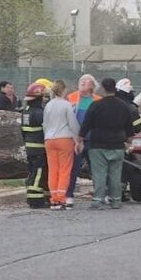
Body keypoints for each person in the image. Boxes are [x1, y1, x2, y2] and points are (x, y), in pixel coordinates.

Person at [77, 78, 136, 210]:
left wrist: (79, 139)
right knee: (115, 175)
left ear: (103, 89)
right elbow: (129, 128)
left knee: (99, 174)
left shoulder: (96, 105)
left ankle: (98, 200)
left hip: (98, 145)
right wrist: (128, 142)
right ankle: (116, 200)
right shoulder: (123, 106)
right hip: (117, 145)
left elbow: (86, 124)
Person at [43, 80, 80, 210]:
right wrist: (78, 139)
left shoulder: (48, 106)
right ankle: (61, 198)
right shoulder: (66, 105)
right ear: (64, 90)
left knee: (53, 170)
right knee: (64, 169)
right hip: (64, 138)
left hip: (49, 139)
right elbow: (73, 124)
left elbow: (45, 124)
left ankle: (53, 199)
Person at [65, 74, 101, 200]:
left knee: (96, 169)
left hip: (93, 140)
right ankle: (68, 195)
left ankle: (100, 194)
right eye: (81, 80)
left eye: (86, 80)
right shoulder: (70, 98)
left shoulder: (98, 101)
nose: (83, 82)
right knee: (72, 168)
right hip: (74, 140)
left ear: (92, 86)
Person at [21, 83, 49, 208]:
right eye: (44, 97)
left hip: (30, 147)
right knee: (38, 173)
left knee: (34, 171)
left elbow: (23, 131)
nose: (45, 99)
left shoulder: (26, 111)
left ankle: (44, 196)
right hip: (40, 148)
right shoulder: (39, 113)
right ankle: (35, 199)